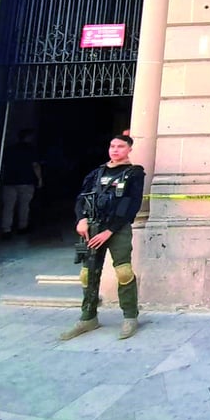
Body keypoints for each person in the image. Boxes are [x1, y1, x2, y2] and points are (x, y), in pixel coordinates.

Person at [60, 135, 145, 341]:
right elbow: (81, 198)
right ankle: (88, 317)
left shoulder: (134, 173)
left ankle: (130, 316)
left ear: (129, 149)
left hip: (117, 229)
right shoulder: (97, 173)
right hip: (92, 227)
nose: (115, 150)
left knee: (123, 271)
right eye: (112, 146)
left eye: (120, 146)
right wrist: (81, 220)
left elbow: (131, 205)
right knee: (87, 274)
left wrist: (110, 231)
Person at [0, 129, 43, 237]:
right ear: (28, 137)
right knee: (24, 205)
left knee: (8, 206)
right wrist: (40, 179)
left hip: (9, 181)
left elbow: (2, 165)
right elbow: (35, 165)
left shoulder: (9, 149)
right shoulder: (31, 150)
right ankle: (22, 226)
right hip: (26, 181)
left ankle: (6, 229)